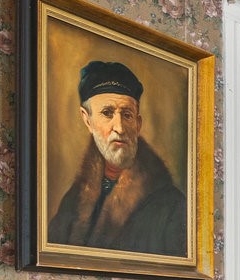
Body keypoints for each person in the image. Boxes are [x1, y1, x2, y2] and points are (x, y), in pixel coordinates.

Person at [46, 59, 187, 256]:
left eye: (127, 115)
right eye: (107, 113)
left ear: (138, 124)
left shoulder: (171, 205)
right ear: (87, 120)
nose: (119, 128)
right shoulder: (73, 201)